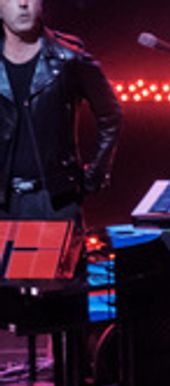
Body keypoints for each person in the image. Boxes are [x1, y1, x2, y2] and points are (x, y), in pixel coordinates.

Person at [0, 0, 121, 223]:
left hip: (55, 200)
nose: (23, 4)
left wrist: (95, 173)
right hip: (4, 202)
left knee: (56, 258)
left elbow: (110, 115)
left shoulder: (69, 58)